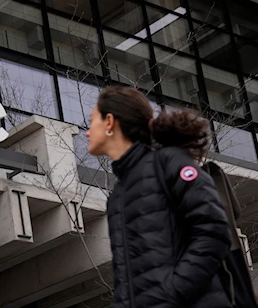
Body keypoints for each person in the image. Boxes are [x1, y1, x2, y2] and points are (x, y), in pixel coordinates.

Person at [86, 86, 232, 308]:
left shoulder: (168, 163)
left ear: (109, 122)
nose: (87, 131)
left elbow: (214, 232)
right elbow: (127, 276)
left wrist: (172, 293)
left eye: (91, 120)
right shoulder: (118, 196)